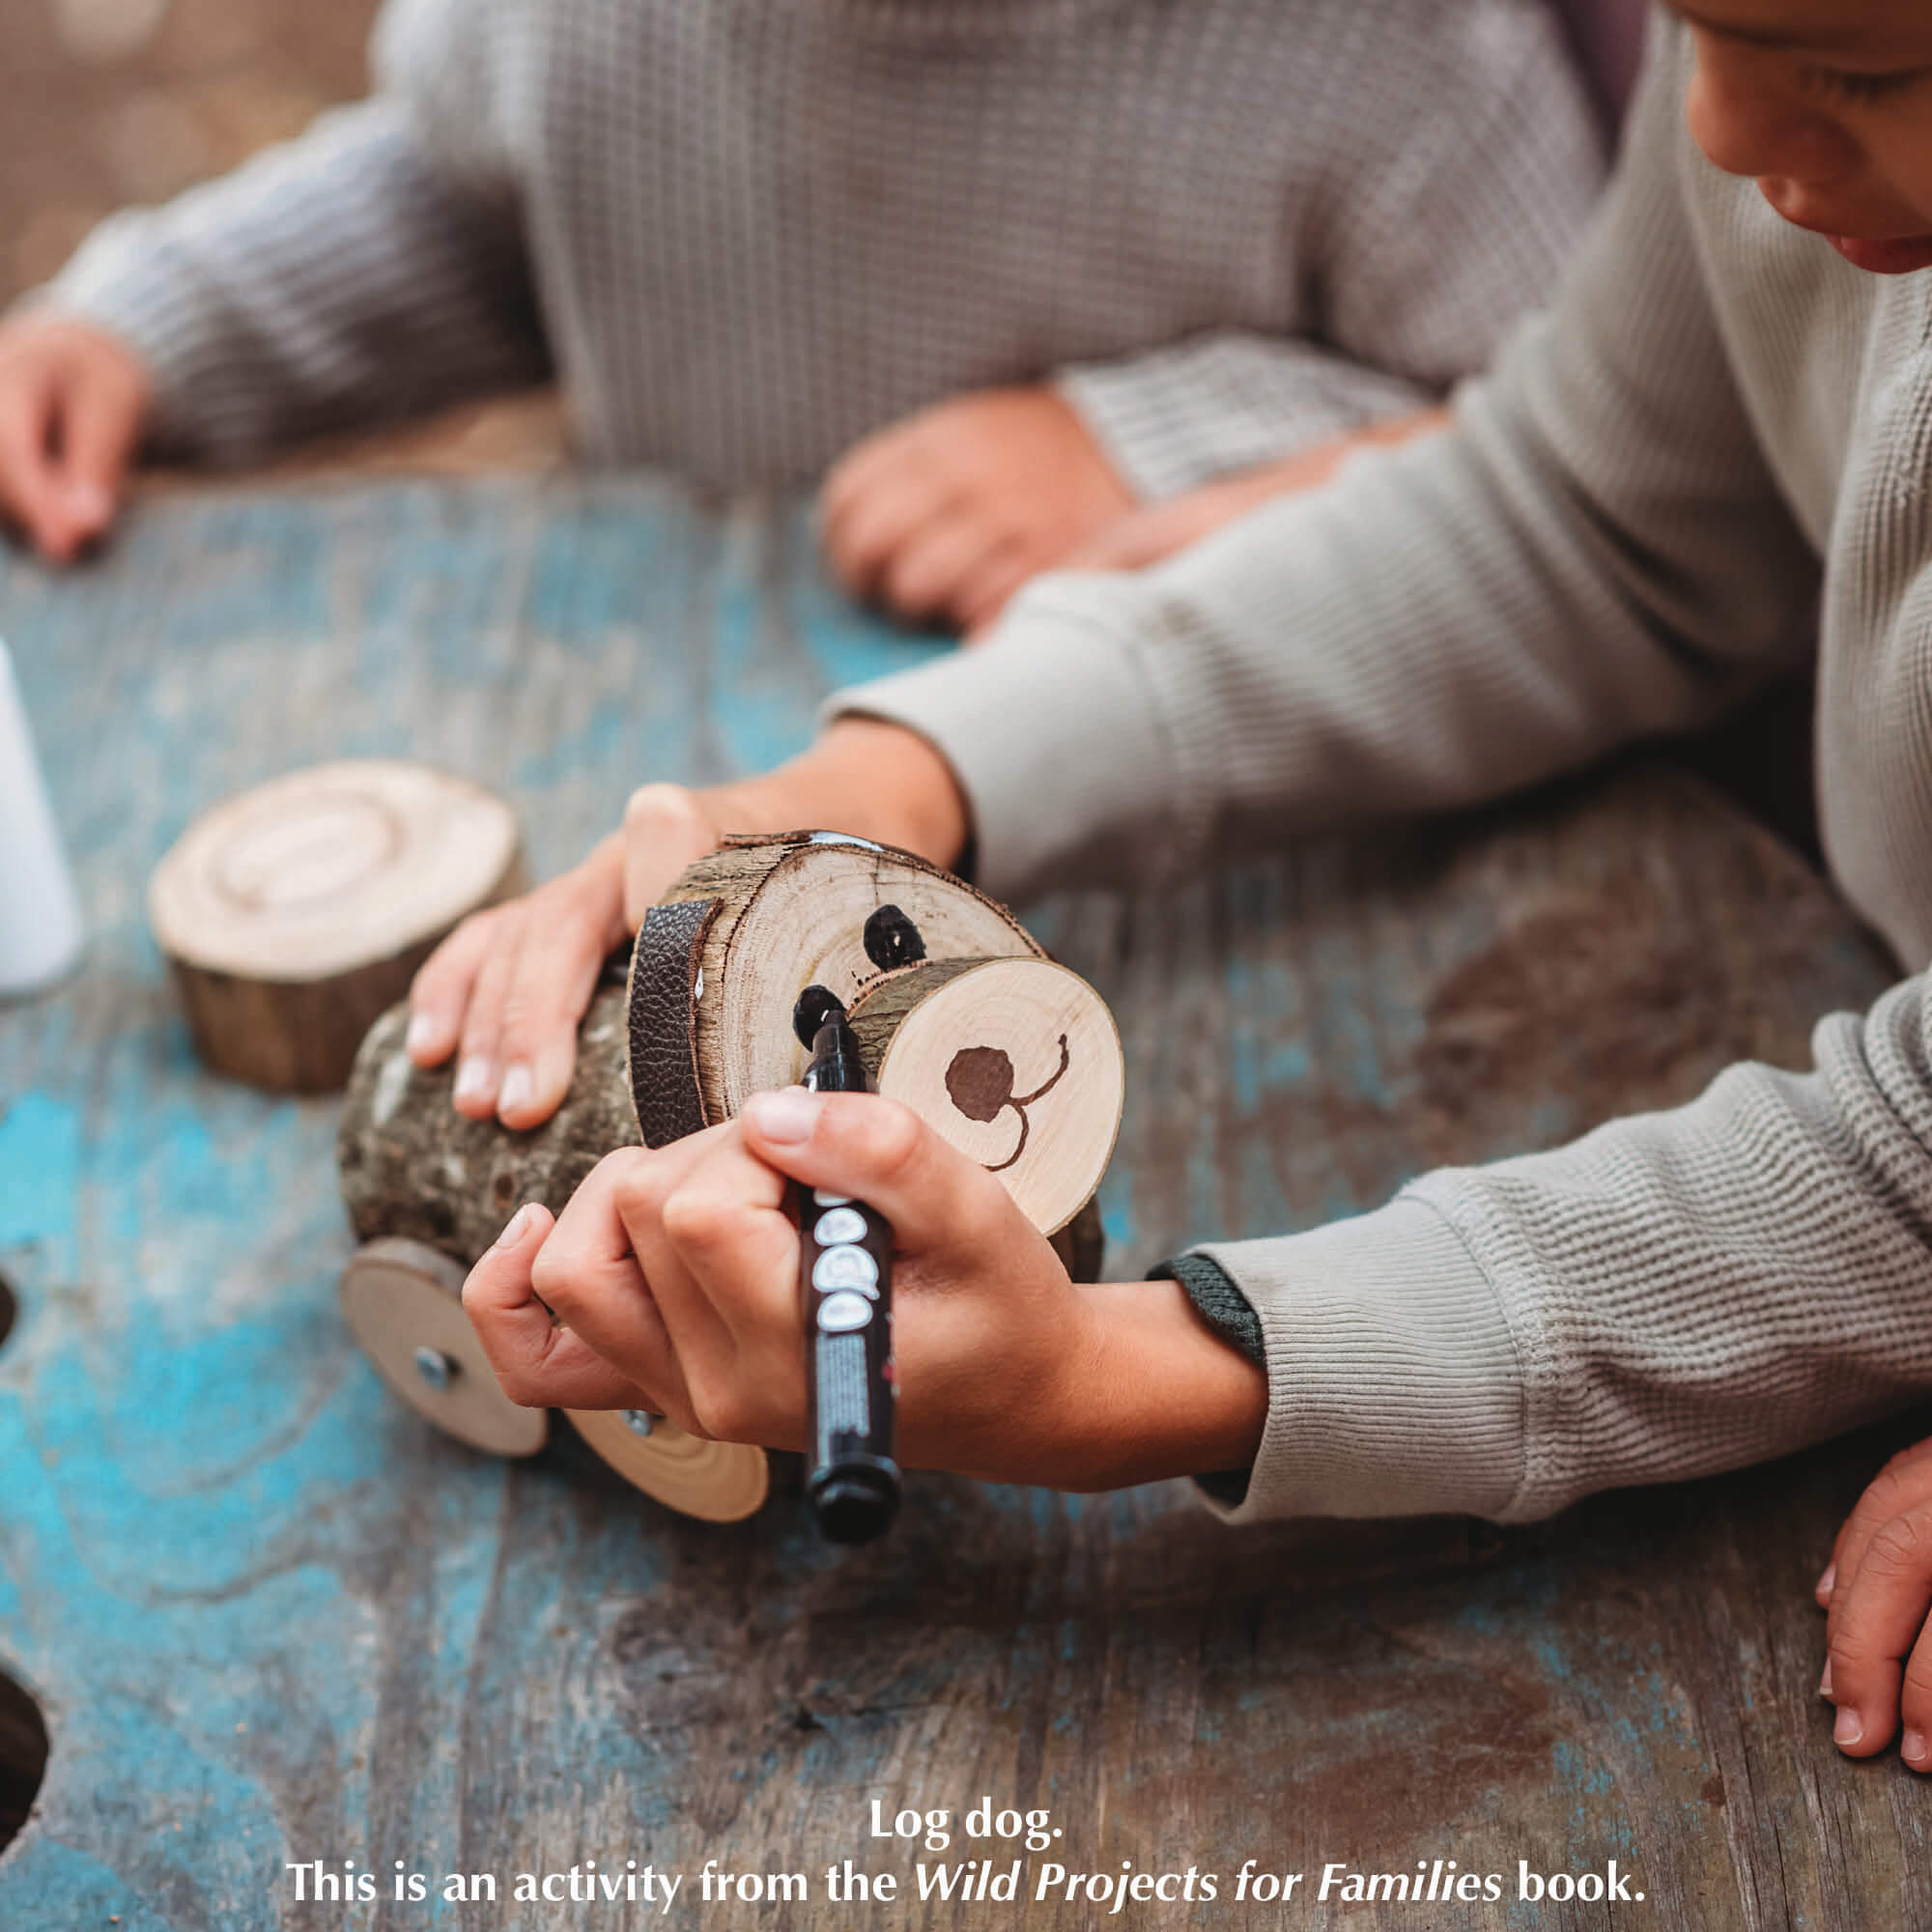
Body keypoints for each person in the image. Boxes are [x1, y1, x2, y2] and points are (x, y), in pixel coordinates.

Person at [440, 0, 1932, 1770]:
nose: (1722, 131)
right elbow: (1585, 512)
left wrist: (1132, 1381)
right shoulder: (1793, 160)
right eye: (1694, 21)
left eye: (1864, 70)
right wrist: (903, 778)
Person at [0, 0, 1602, 638]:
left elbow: (1579, 439)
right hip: (691, 725)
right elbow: (487, 207)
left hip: (1213, 805)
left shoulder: (1392, 42)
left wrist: (1154, 451)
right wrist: (160, 329)